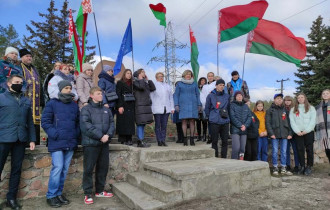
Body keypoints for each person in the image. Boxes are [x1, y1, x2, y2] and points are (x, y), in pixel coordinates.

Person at [41, 80, 80, 208]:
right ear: (60, 89)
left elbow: (78, 123)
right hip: (57, 141)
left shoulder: (74, 105)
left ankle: (58, 193)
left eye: (70, 88)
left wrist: (76, 135)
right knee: (57, 168)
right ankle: (51, 195)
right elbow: (45, 121)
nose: (69, 90)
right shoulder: (52, 103)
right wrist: (55, 134)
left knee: (64, 169)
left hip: (70, 140)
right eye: (66, 88)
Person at [0, 75, 36, 210]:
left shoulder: (26, 101)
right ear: (9, 84)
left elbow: (30, 122)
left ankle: (11, 198)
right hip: (3, 138)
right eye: (16, 82)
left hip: (20, 140)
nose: (20, 84)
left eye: (21, 83)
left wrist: (32, 139)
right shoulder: (1, 98)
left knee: (16, 170)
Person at [80, 87, 115, 205]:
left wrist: (108, 135)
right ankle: (87, 193)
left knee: (103, 167)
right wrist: (100, 136)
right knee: (89, 169)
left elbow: (111, 123)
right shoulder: (86, 109)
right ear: (91, 95)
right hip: (91, 144)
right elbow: (86, 126)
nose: (101, 96)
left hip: (104, 143)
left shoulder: (106, 109)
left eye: (101, 93)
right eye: (98, 94)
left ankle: (99, 190)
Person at [289, 93, 316, 175]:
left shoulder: (311, 108)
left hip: (308, 132)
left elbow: (313, 120)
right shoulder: (293, 109)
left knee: (309, 150)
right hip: (298, 133)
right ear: (297, 99)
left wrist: (307, 130)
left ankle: (309, 166)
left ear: (305, 98)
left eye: (302, 97)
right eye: (298, 98)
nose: (300, 99)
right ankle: (302, 166)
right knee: (300, 150)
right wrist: (297, 131)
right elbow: (292, 121)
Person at [266, 93, 293, 176]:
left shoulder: (286, 110)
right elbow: (268, 123)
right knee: (274, 151)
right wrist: (271, 133)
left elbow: (290, 122)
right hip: (274, 134)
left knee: (284, 152)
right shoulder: (270, 110)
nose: (279, 100)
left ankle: (283, 167)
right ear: (274, 100)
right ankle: (275, 167)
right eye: (277, 98)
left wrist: (290, 133)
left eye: (281, 98)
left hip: (285, 134)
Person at [174, 70, 202, 146]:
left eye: (189, 74)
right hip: (183, 105)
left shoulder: (194, 84)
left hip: (193, 104)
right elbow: (176, 95)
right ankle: (185, 139)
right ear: (184, 75)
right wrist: (176, 104)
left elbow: (198, 94)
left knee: (192, 121)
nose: (188, 75)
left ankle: (192, 139)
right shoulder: (179, 84)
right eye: (187, 74)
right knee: (184, 121)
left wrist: (199, 104)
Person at [19, 48, 41, 145]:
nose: (29, 58)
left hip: (36, 103)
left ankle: (35, 142)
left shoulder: (34, 69)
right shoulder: (19, 67)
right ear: (22, 57)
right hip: (25, 101)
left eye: (30, 56)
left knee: (35, 122)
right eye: (27, 56)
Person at [204, 79, 230, 158]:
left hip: (225, 121)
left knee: (225, 141)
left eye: (223, 85)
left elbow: (229, 107)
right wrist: (211, 116)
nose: (221, 87)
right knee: (214, 141)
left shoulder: (227, 96)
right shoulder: (210, 95)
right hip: (214, 121)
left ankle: (224, 158)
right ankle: (215, 158)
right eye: (220, 85)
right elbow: (207, 108)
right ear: (216, 86)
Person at [133, 68, 156, 147]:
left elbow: (153, 88)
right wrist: (140, 79)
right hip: (139, 105)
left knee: (143, 124)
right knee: (140, 123)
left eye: (144, 72)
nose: (144, 73)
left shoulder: (144, 82)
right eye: (142, 72)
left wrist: (148, 80)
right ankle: (140, 141)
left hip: (145, 105)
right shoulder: (135, 82)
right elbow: (141, 87)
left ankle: (141, 140)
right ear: (138, 74)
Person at [150, 72, 174, 146]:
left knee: (164, 125)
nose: (161, 77)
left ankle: (163, 140)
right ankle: (159, 140)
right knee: (158, 125)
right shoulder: (154, 86)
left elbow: (171, 98)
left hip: (166, 108)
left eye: (162, 76)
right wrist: (151, 108)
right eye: (159, 76)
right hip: (157, 108)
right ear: (156, 78)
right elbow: (151, 97)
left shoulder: (167, 86)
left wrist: (172, 107)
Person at [229, 91, 252, 160]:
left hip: (244, 130)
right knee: (236, 148)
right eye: (238, 95)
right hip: (235, 130)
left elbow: (249, 116)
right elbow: (232, 117)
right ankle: (234, 162)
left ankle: (240, 162)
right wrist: (240, 125)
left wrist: (245, 125)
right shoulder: (232, 105)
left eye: (240, 95)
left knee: (242, 149)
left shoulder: (245, 106)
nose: (239, 97)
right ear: (235, 97)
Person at [116, 69, 135, 146]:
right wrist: (120, 106)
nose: (129, 75)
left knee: (130, 122)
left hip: (131, 105)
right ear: (124, 74)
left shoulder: (133, 84)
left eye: (130, 73)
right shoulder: (120, 83)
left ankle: (129, 139)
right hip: (123, 104)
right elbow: (118, 94)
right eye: (127, 73)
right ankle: (123, 139)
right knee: (123, 122)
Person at [315, 89, 330, 176]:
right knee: (328, 151)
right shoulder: (318, 107)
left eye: (327, 93)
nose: (325, 95)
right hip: (323, 132)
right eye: (323, 93)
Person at [284, 96, 299, 173]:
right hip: (286, 133)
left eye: (289, 100)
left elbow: (296, 121)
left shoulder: (295, 109)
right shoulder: (283, 109)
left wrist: (293, 132)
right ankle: (288, 165)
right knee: (286, 150)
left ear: (291, 101)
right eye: (286, 100)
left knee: (295, 150)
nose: (287, 102)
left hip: (294, 133)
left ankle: (297, 165)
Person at [200, 72, 216, 143]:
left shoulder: (216, 84)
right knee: (209, 121)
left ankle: (215, 137)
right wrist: (204, 105)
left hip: (215, 106)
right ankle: (210, 136)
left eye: (211, 76)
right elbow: (202, 96)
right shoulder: (205, 86)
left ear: (213, 77)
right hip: (207, 106)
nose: (210, 77)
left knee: (214, 123)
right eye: (209, 76)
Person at [196, 77, 207, 142]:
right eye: (201, 80)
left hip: (204, 106)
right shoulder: (197, 88)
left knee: (204, 121)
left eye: (204, 80)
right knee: (198, 122)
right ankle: (199, 135)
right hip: (197, 107)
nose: (203, 81)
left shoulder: (206, 88)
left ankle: (204, 135)